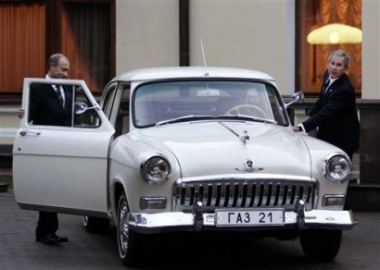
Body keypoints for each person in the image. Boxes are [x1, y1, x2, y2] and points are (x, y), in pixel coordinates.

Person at [30, 53, 72, 245]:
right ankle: (43, 232)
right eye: (63, 69)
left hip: (64, 144)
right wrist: (22, 112)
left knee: (56, 188)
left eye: (67, 70)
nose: (66, 73)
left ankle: (50, 231)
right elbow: (29, 114)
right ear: (52, 66)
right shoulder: (36, 87)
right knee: (47, 187)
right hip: (45, 144)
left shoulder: (69, 88)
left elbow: (70, 115)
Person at [293, 49, 360, 159]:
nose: (334, 68)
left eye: (339, 65)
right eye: (332, 63)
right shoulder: (327, 74)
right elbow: (322, 99)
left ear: (345, 68)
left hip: (342, 138)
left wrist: (301, 127)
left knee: (338, 171)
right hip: (328, 133)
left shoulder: (344, 89)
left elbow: (326, 112)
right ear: (328, 63)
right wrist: (310, 114)